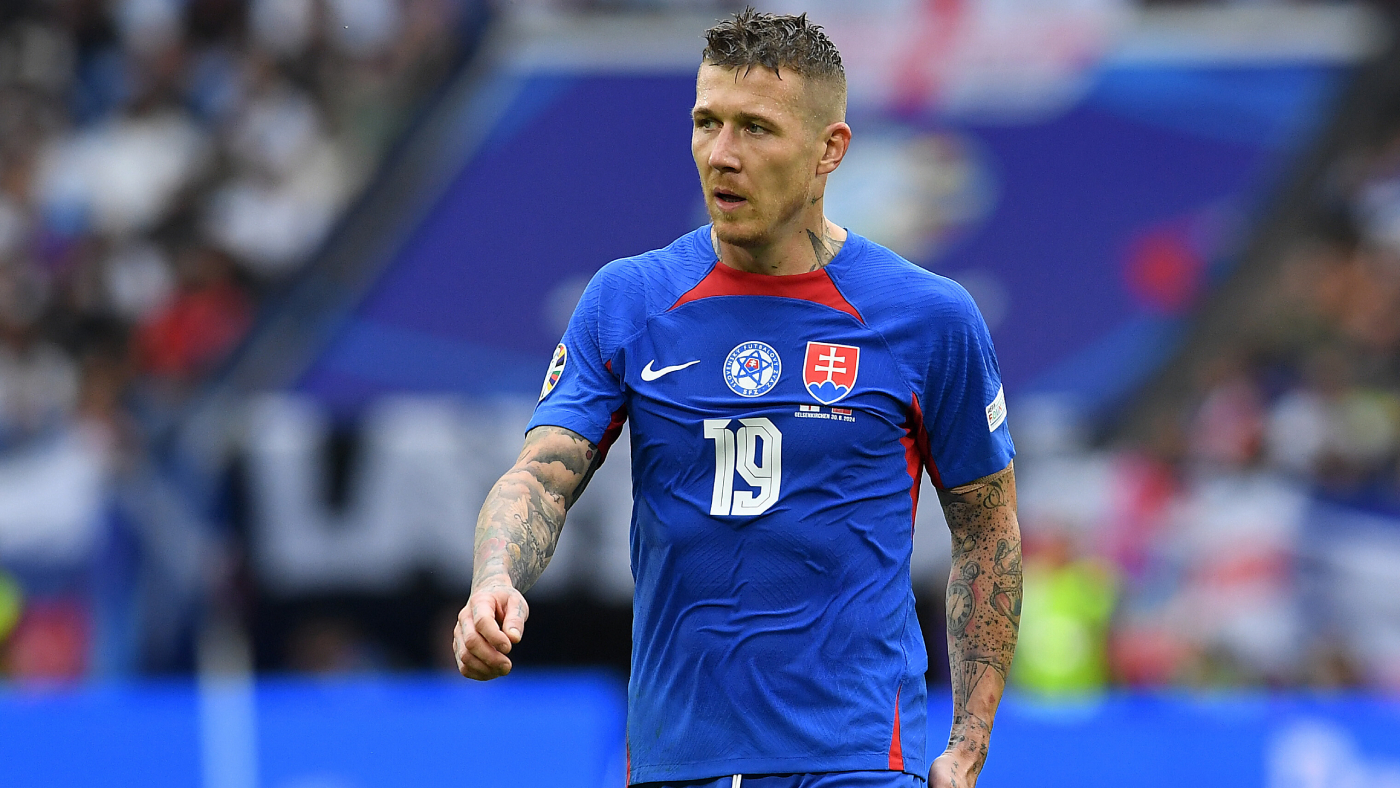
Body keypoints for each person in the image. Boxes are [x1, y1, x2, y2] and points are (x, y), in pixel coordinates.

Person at [453, 9, 1021, 788]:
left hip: (854, 760)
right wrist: (494, 579)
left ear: (830, 150)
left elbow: (987, 528)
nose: (722, 154)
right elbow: (540, 478)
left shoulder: (928, 318)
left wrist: (970, 741)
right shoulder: (629, 299)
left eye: (756, 128)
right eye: (706, 122)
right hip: (677, 759)